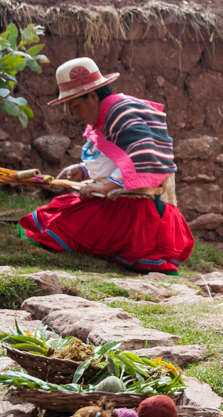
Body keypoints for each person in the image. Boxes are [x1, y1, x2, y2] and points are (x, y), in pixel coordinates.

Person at [16, 58, 194, 275]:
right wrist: (82, 170)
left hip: (142, 209)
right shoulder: (112, 113)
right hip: (123, 199)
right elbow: (115, 157)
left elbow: (143, 155)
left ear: (92, 96)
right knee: (52, 213)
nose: (75, 114)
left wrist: (107, 187)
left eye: (76, 106)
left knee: (60, 227)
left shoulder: (121, 113)